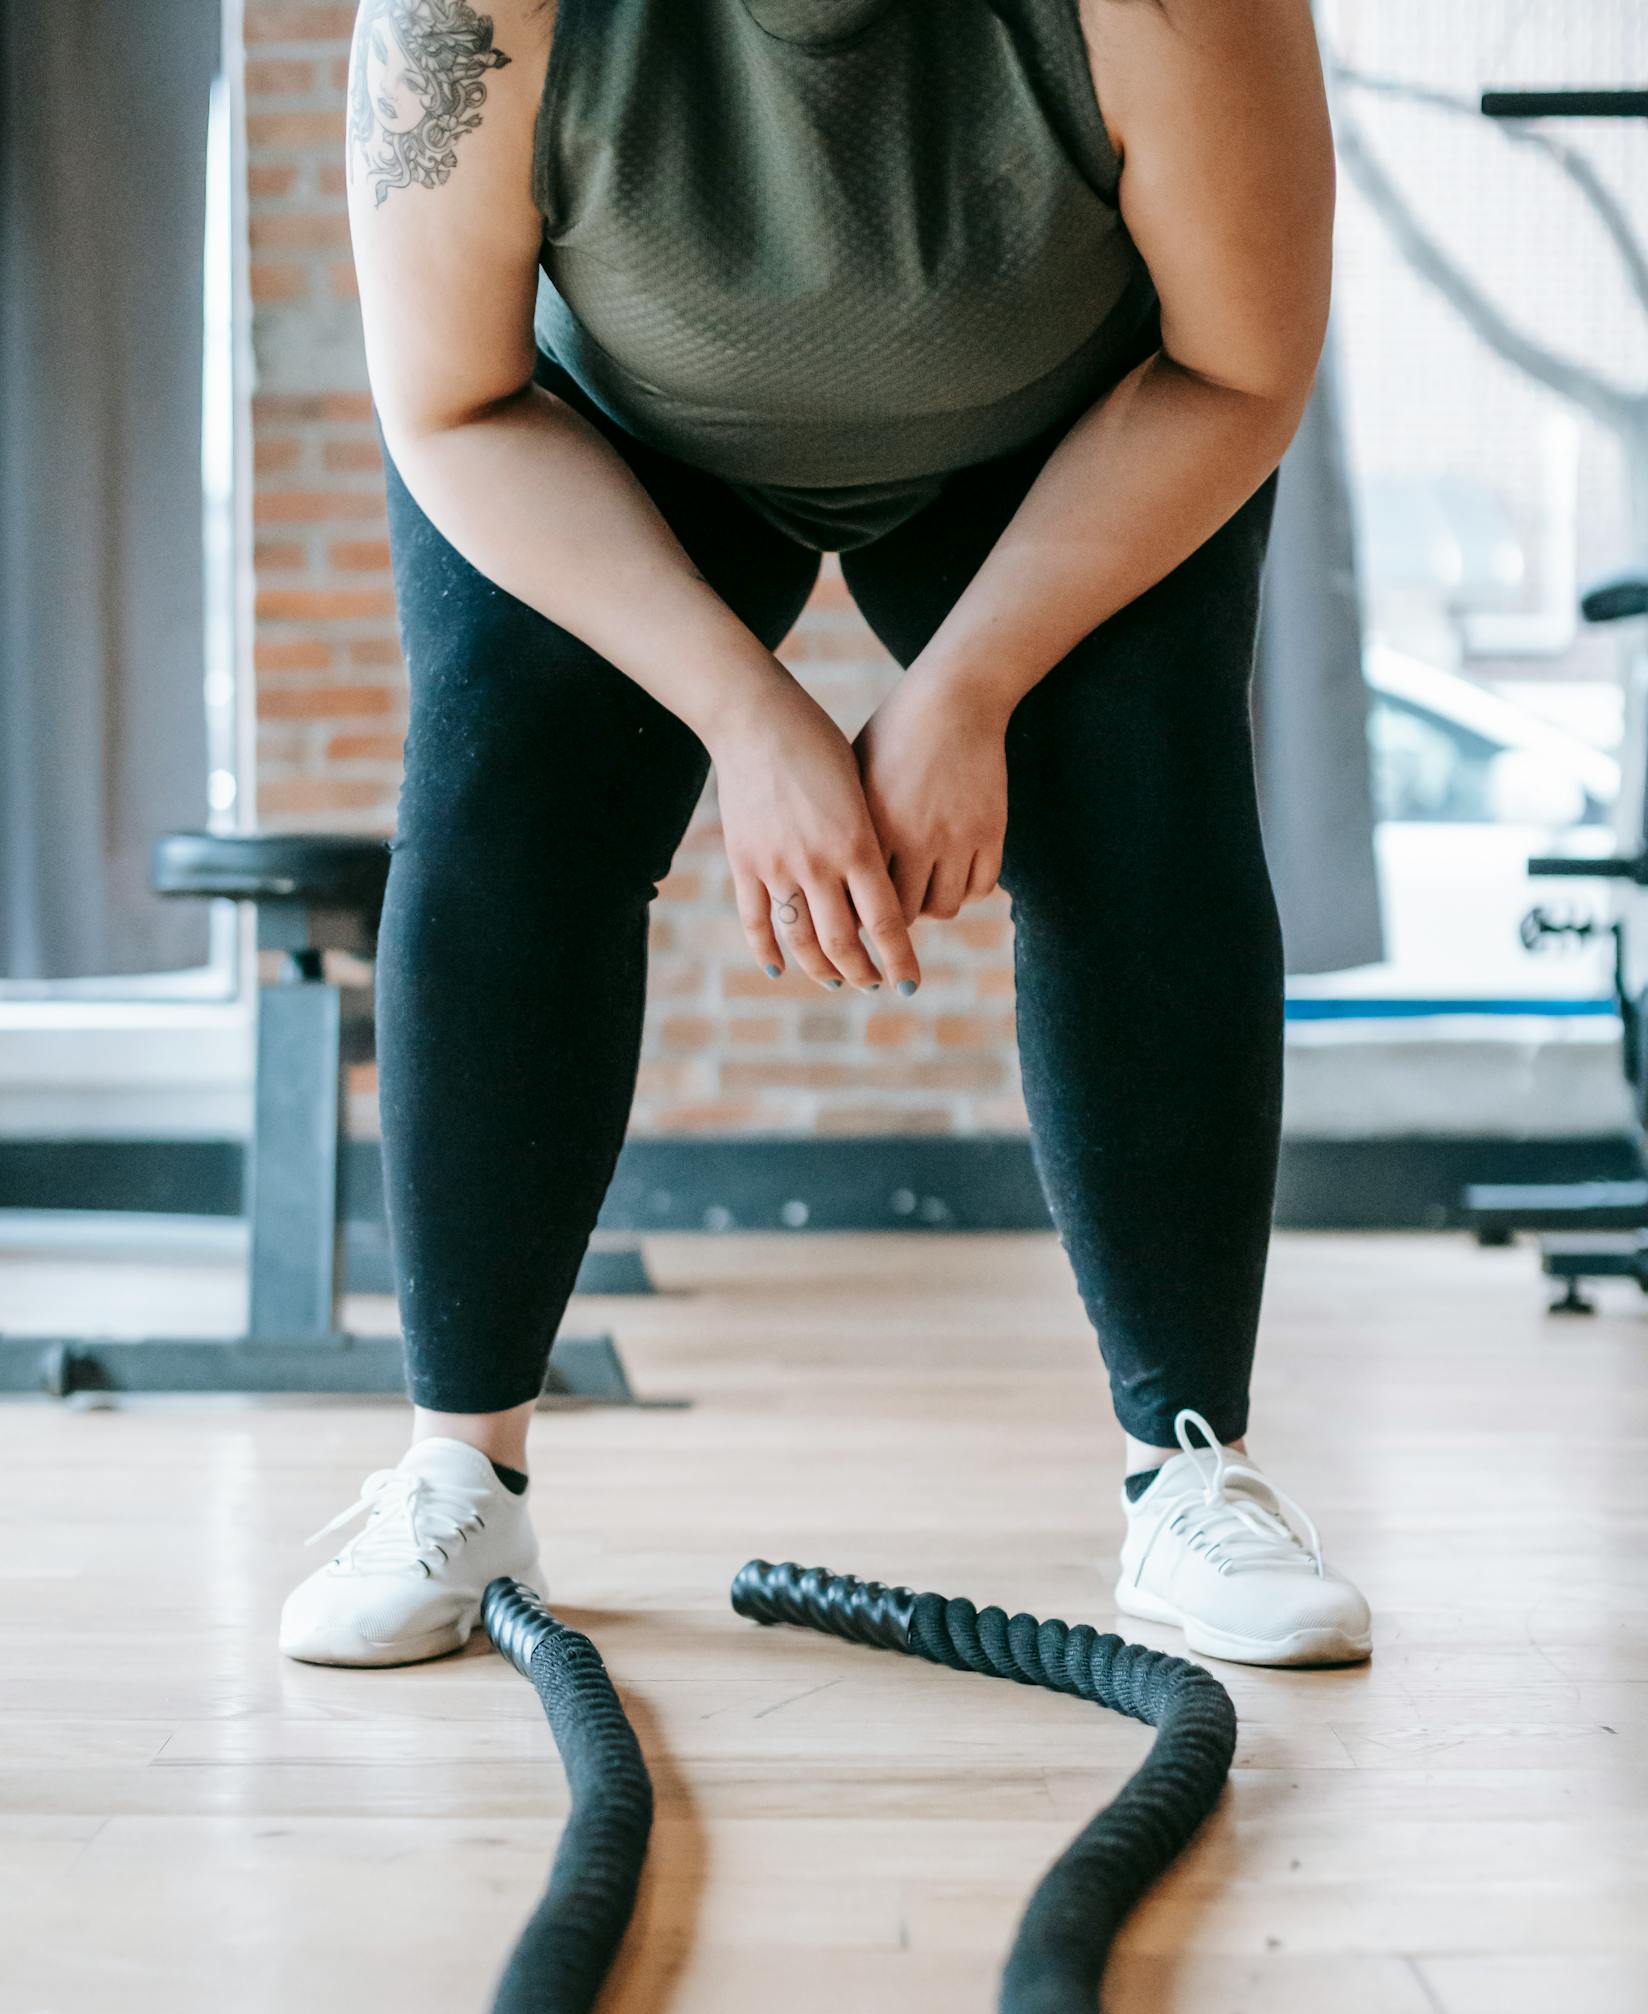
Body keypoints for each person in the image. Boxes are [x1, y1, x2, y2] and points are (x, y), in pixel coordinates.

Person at [280, 0, 1373, 1674]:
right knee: (507, 789)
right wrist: (745, 714)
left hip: (1071, 423)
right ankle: (459, 1463)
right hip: (610, 426)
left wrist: (972, 687)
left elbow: (1241, 362)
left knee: (1147, 793)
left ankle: (1191, 1470)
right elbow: (451, 405)